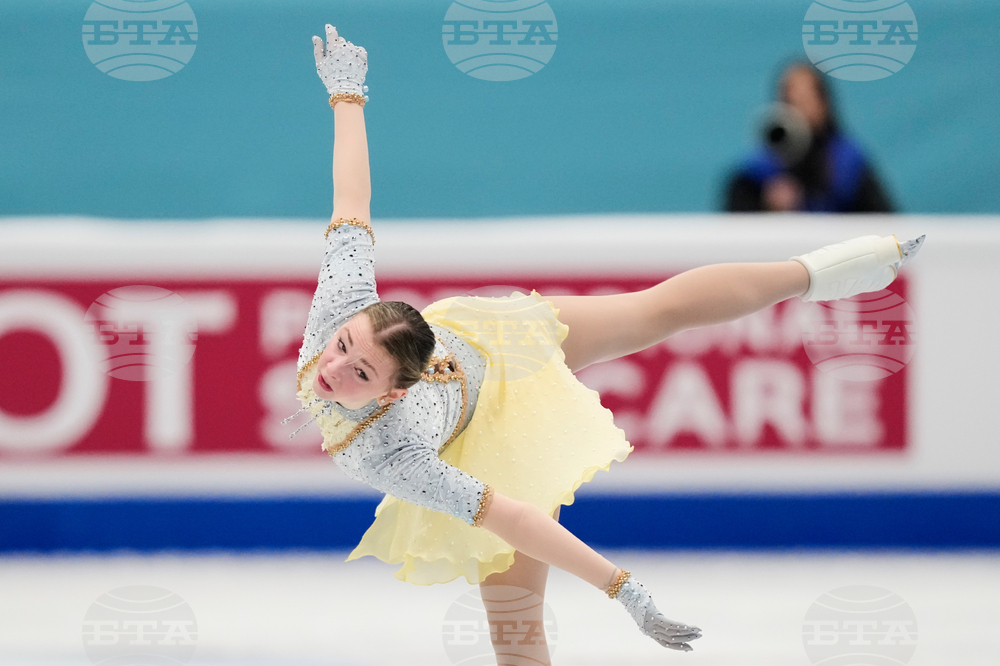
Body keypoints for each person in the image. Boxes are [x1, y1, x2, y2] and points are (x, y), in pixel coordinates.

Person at [290, 24, 923, 663]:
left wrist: (623, 589)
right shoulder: (345, 312)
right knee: (516, 642)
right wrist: (346, 95)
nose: (332, 367)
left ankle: (825, 270)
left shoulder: (391, 442)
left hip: (500, 384)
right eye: (344, 350)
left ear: (395, 392)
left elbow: (518, 517)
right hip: (467, 380)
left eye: (357, 366)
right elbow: (351, 199)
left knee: (657, 310)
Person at [724, 60, 897, 213]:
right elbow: (734, 225)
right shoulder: (759, 169)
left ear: (824, 104)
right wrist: (765, 205)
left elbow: (882, 221)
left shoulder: (848, 163)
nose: (798, 110)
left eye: (806, 100)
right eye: (790, 101)